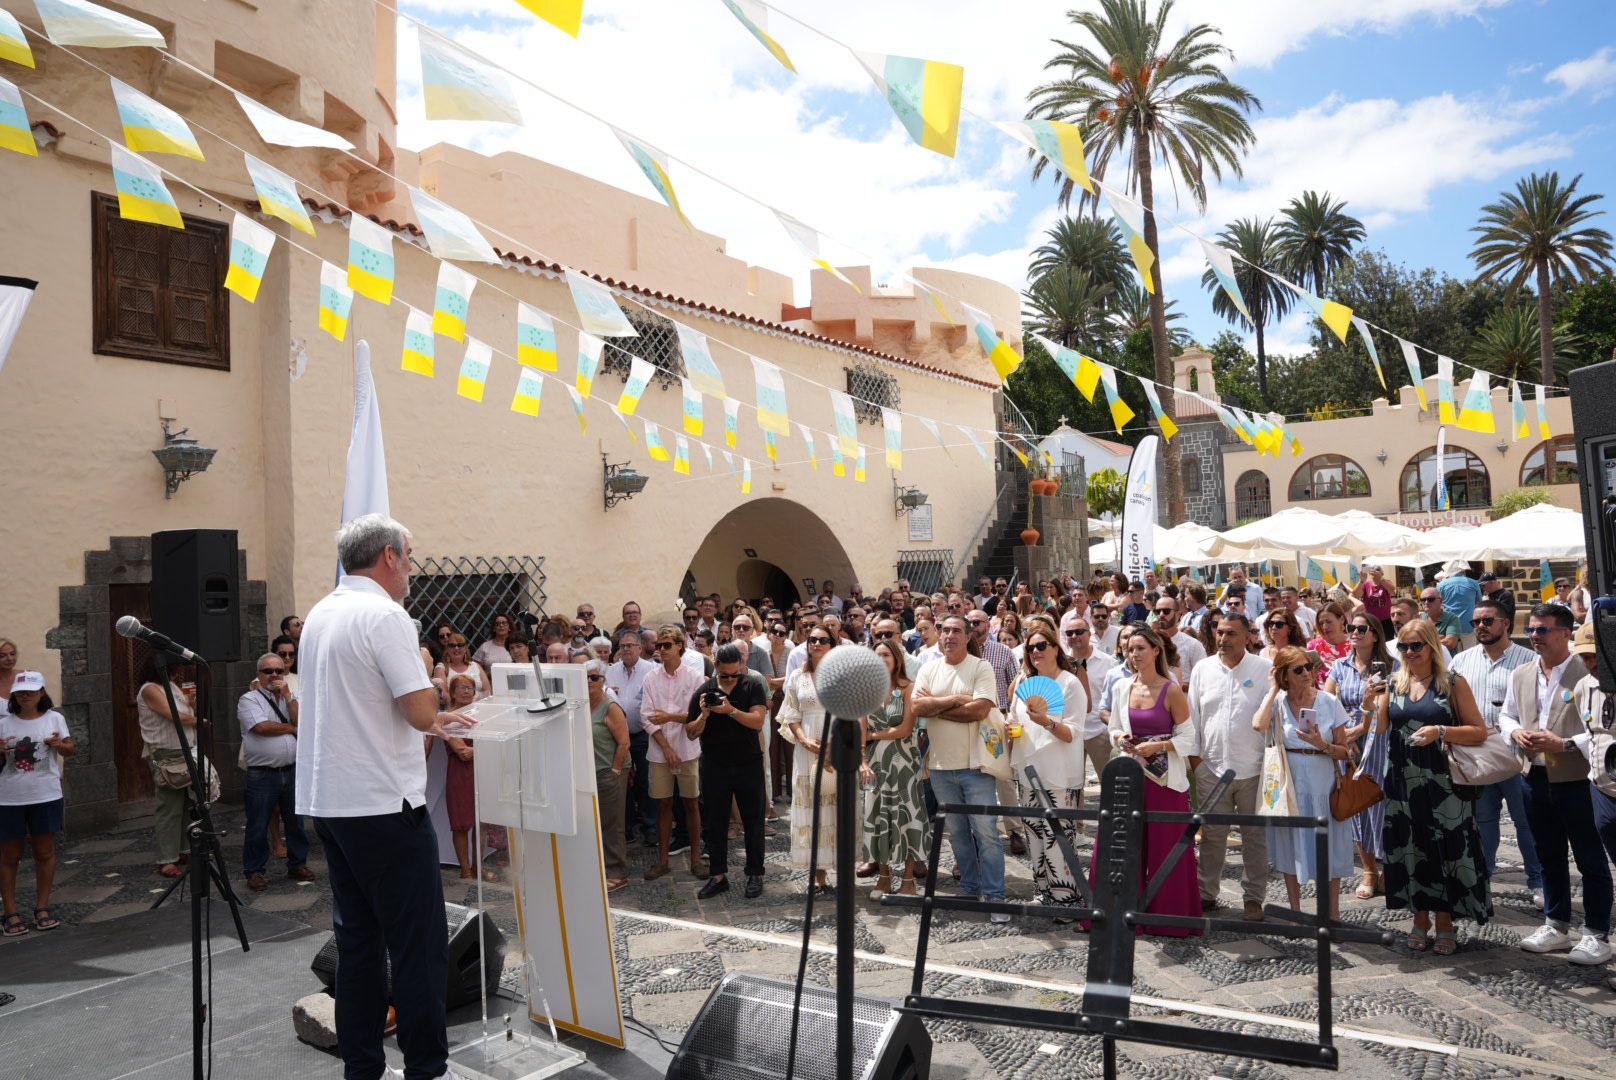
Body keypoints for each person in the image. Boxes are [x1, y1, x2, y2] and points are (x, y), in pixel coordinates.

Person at [295, 514, 476, 1080]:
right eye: (411, 557)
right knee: (418, 948)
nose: (413, 570)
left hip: (332, 801)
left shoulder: (322, 612)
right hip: (383, 803)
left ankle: (364, 1068)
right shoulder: (385, 615)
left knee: (358, 946)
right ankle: (427, 1069)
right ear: (390, 557)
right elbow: (419, 711)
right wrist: (427, 676)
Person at [1368, 616, 1491, 955]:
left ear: (1431, 646)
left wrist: (1440, 731)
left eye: (1416, 645)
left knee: (1445, 848)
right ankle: (1419, 919)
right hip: (1403, 779)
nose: (1409, 652)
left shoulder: (1451, 682)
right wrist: (1371, 702)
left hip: (1443, 781)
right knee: (1411, 849)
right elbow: (1379, 730)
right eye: (1403, 646)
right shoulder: (1395, 682)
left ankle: (1446, 921)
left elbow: (1478, 731)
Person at [1500, 604, 1612, 964]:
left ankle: (1596, 933)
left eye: (1542, 630)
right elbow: (1506, 713)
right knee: (1547, 854)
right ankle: (1556, 923)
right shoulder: (1521, 673)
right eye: (1531, 630)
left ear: (1566, 633)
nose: (1534, 636)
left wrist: (1563, 744)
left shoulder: (1590, 670)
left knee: (1589, 858)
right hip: (1533, 776)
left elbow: (1603, 731)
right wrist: (1514, 731)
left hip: (1577, 778)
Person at [1102, 625, 1200, 936]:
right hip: (1130, 777)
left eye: (1141, 648)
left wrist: (1158, 746)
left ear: (1156, 651)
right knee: (1127, 845)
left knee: (1166, 847)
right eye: (1130, 649)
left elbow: (1189, 736)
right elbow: (1113, 727)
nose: (1134, 655)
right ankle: (1127, 912)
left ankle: (1169, 917)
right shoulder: (1122, 688)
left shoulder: (1171, 689)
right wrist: (1121, 737)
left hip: (1166, 781)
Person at [1449, 598, 1545, 909]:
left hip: (1518, 752)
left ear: (1505, 623)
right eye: (1476, 622)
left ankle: (1538, 879)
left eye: (1487, 621)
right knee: (1483, 819)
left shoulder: (1529, 659)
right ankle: (1483, 876)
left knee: (1527, 820)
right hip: (1477, 753)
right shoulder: (1460, 661)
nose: (1480, 627)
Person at [913, 614, 1007, 921]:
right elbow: (917, 708)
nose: (949, 635)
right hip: (940, 767)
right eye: (945, 630)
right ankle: (969, 888)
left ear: (968, 637)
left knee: (987, 833)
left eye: (956, 630)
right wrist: (955, 699)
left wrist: (937, 706)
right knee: (958, 834)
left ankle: (994, 896)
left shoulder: (981, 667)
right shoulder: (928, 668)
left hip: (975, 766)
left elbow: (979, 710)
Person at [1254, 647, 1356, 917]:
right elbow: (1258, 724)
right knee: (1291, 845)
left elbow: (1346, 752)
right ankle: (1296, 911)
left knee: (1329, 846)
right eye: (1298, 669)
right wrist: (1274, 689)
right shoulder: (1278, 703)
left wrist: (1321, 744)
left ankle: (1332, 913)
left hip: (1323, 783)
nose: (1307, 673)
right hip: (1291, 784)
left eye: (1308, 666)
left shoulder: (1328, 701)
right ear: (1284, 674)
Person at [1185, 613, 1273, 920]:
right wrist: (1196, 763)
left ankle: (1253, 898)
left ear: (1248, 636)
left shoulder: (1264, 669)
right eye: (1220, 632)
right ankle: (1206, 893)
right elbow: (1193, 717)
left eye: (1231, 634)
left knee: (1255, 838)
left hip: (1254, 768)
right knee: (1211, 836)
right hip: (1212, 767)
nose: (1223, 639)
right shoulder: (1203, 668)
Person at [1008, 625, 1088, 915]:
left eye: (1042, 645)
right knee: (1034, 833)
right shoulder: (1024, 683)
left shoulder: (1070, 683)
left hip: (1059, 772)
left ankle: (1067, 899)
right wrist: (1010, 729)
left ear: (1056, 648)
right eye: (1030, 648)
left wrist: (1046, 722)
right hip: (1028, 768)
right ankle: (1043, 893)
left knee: (1058, 835)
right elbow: (1012, 718)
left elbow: (1073, 733)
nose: (1036, 652)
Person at [688, 643, 770, 900]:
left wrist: (731, 711)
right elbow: (691, 733)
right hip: (715, 765)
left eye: (735, 674)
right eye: (725, 676)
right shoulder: (704, 691)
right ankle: (718, 875)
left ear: (742, 668)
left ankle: (755, 873)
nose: (731, 679)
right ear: (716, 669)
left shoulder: (752, 686)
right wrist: (704, 715)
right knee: (715, 822)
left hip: (748, 764)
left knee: (753, 820)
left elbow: (758, 722)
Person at [1325, 612, 1397, 900]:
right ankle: (1368, 870)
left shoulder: (1389, 667)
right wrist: (1345, 736)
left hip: (1379, 741)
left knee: (1381, 805)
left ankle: (1389, 868)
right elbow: (1327, 703)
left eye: (1361, 628)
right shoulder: (1339, 666)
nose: (1354, 632)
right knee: (1355, 806)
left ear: (1375, 634)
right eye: (1350, 628)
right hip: (1347, 743)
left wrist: (1356, 732)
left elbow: (1383, 710)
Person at [0, 671, 72, 935]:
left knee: (45, 853)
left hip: (45, 795)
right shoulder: (4, 724)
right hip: (8, 799)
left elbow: (69, 749)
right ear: (14, 697)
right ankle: (10, 912)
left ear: (41, 692)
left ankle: (43, 907)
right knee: (9, 856)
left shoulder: (55, 718)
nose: (25, 697)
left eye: (30, 692)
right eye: (20, 693)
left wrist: (58, 744)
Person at [238, 652, 312, 891]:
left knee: (295, 822)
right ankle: (255, 871)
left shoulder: (290, 698)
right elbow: (261, 727)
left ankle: (297, 863)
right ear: (259, 675)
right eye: (268, 671)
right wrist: (290, 728)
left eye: (279, 671)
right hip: (262, 773)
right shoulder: (249, 699)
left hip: (291, 770)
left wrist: (289, 697)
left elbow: (302, 721)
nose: (274, 675)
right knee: (258, 824)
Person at [861, 640, 927, 898]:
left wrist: (874, 734)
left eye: (886, 654)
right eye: (876, 655)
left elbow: (905, 729)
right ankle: (885, 877)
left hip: (905, 762)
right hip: (876, 764)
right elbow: (859, 731)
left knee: (908, 817)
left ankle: (909, 880)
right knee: (878, 818)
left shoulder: (909, 687)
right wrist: (863, 762)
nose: (881, 659)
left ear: (897, 658)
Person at [1568, 622, 1616, 977]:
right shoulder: (1584, 685)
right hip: (1601, 785)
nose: (1590, 663)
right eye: (1584, 657)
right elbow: (1590, 732)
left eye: (1595, 655)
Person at [777, 627, 840, 894]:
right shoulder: (797, 675)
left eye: (822, 640)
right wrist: (803, 740)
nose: (816, 643)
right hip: (805, 751)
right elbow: (790, 714)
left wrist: (831, 743)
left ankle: (834, 870)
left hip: (835, 748)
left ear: (832, 644)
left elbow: (852, 713)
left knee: (833, 807)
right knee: (810, 808)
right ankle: (817, 875)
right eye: (812, 639)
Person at [641, 625, 707, 882]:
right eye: (659, 645)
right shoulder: (651, 678)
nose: (662, 650)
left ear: (680, 646)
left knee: (691, 803)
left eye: (667, 645)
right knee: (663, 804)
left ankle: (696, 859)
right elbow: (646, 717)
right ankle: (663, 861)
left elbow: (698, 714)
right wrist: (666, 748)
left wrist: (669, 716)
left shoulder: (693, 677)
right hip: (660, 752)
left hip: (688, 750)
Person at [137, 655, 199, 878]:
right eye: (177, 665)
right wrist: (198, 719)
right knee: (169, 806)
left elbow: (185, 712)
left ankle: (183, 850)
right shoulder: (150, 689)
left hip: (184, 750)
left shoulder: (171, 686)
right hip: (167, 753)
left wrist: (191, 704)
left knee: (184, 804)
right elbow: (174, 716)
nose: (180, 669)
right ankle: (167, 858)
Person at [968, 608, 1023, 856]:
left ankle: (1014, 830)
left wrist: (1011, 719)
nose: (973, 626)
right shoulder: (962, 655)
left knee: (1004, 777)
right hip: (969, 720)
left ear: (988, 625)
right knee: (974, 776)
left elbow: (1016, 688)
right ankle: (978, 832)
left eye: (977, 622)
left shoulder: (1003, 652)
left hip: (998, 718)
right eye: (968, 623)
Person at [582, 659, 631, 892]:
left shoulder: (610, 706)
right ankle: (598, 868)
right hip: (589, 772)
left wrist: (615, 771)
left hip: (610, 771)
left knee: (612, 823)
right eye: (586, 677)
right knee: (595, 822)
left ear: (603, 681)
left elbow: (624, 743)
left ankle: (617, 872)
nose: (589, 681)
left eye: (594, 677)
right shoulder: (581, 704)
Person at [606, 629, 656, 848]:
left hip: (643, 734)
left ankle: (650, 828)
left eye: (630, 645)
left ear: (640, 647)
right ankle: (625, 829)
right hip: (617, 737)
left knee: (646, 781)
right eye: (622, 646)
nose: (625, 649)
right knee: (622, 782)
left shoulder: (652, 670)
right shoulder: (610, 672)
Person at [441, 675, 482, 880]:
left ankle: (477, 869)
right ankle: (465, 871)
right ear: (453, 691)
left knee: (481, 822)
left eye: (471, 688)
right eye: (463, 688)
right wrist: (482, 749)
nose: (467, 692)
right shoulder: (448, 717)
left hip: (481, 772)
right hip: (459, 775)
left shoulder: (482, 713)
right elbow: (462, 752)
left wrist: (476, 751)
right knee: (461, 824)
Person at [1152, 595, 1206, 680]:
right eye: (1157, 611)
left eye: (1166, 611)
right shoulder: (1149, 643)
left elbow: (1202, 680)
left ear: (1178, 615)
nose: (1161, 615)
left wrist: (1171, 685)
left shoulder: (1193, 645)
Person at [1437, 562, 1483, 649]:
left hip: (1449, 626)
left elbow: (1438, 605)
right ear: (1462, 570)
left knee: (1452, 657)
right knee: (1470, 655)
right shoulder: (1473, 583)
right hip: (1468, 625)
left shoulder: (1441, 585)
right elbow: (1479, 603)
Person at [1307, 602, 1353, 688]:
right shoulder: (1312, 647)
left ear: (1342, 620)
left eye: (1328, 622)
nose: (1324, 627)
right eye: (1321, 623)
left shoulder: (1355, 646)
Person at [434, 633, 486, 698]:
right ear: (447, 648)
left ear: (466, 648)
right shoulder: (441, 669)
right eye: (452, 645)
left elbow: (487, 691)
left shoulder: (476, 666)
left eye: (460, 645)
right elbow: (444, 695)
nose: (456, 648)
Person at [472, 612, 515, 682]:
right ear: (494, 629)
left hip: (512, 685)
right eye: (497, 624)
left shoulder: (515, 646)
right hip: (490, 686)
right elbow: (474, 670)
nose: (501, 625)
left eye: (504, 623)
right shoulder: (485, 646)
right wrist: (488, 674)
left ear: (509, 627)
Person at [1420, 588, 1462, 653]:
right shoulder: (1420, 617)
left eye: (1430, 599)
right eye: (1423, 600)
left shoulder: (1452, 618)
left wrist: (1423, 640)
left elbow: (1450, 643)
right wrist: (1438, 637)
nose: (1426, 602)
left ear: (1441, 601)